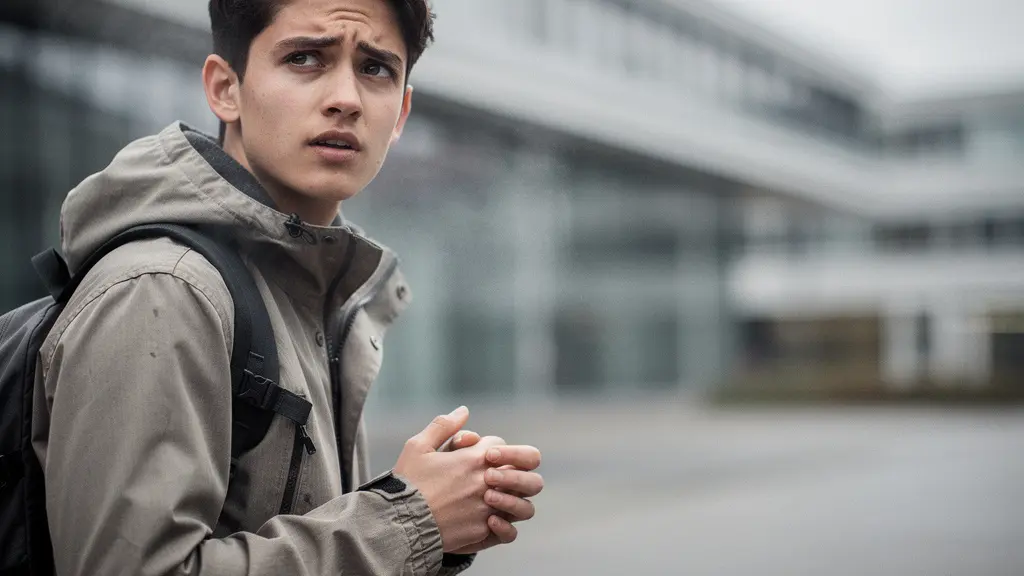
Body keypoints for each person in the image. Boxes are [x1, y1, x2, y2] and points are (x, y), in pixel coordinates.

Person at [30, 0, 543, 574]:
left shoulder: (311, 293)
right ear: (226, 88)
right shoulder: (164, 291)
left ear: (400, 113)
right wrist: (407, 521)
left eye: (375, 69)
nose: (346, 98)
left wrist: (435, 521)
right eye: (305, 58)